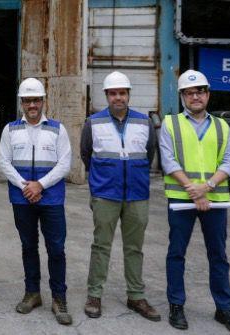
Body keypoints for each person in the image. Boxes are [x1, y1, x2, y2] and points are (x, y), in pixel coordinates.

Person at [159, 70, 230, 335]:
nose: (195, 96)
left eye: (199, 91)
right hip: (181, 199)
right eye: (189, 92)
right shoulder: (170, 124)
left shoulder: (222, 126)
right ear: (182, 97)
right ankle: (176, 305)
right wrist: (192, 189)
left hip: (216, 201)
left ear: (208, 94)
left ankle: (224, 309)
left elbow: (229, 163)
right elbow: (168, 160)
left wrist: (206, 188)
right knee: (176, 253)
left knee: (218, 256)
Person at [80, 71, 160, 321]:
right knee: (101, 245)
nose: (118, 97)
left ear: (128, 95)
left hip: (137, 195)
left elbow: (149, 153)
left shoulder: (143, 122)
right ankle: (94, 294)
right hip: (106, 195)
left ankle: (136, 295)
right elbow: (86, 155)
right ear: (106, 95)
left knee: (134, 248)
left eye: (122, 93)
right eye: (113, 93)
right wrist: (100, 183)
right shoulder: (93, 123)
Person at [0, 77, 73, 325]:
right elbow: (4, 162)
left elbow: (65, 163)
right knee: (28, 246)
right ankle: (33, 293)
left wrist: (40, 184)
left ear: (43, 101)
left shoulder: (57, 129)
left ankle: (59, 298)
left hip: (51, 199)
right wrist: (25, 186)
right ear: (22, 102)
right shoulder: (10, 130)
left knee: (56, 248)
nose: (32, 104)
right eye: (28, 100)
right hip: (22, 199)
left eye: (36, 100)